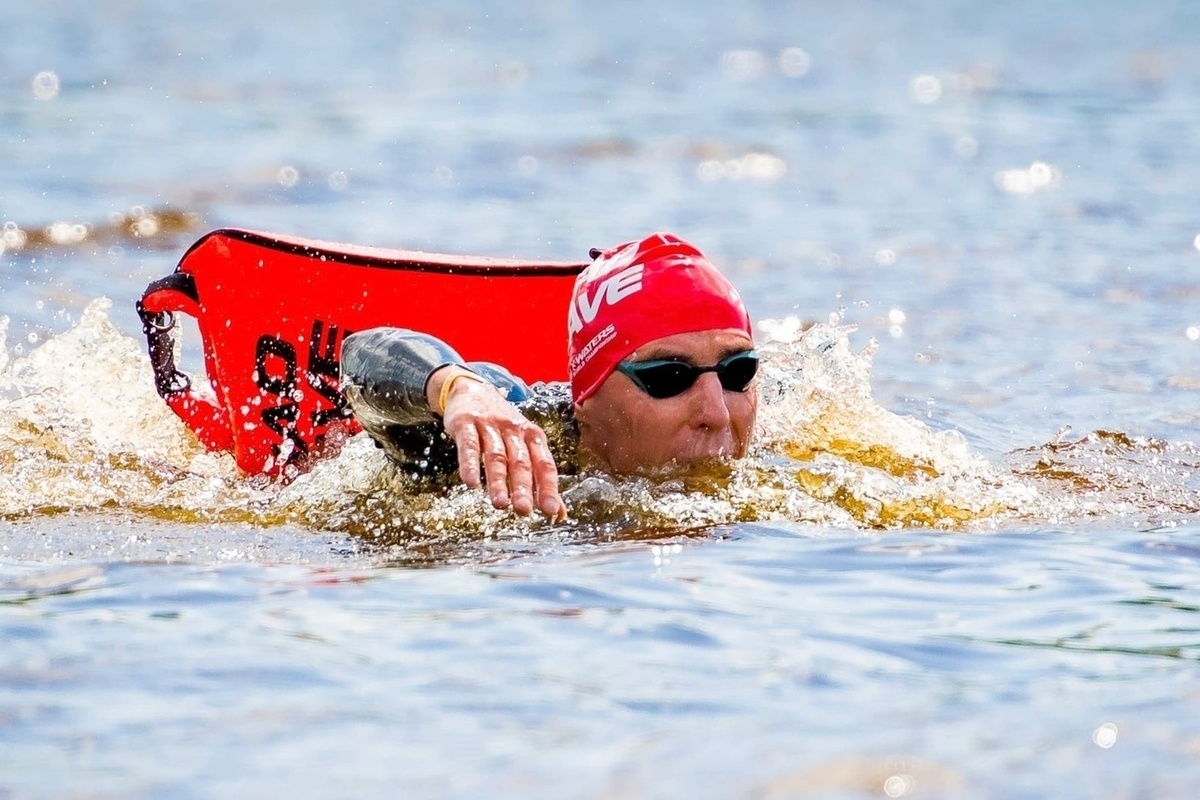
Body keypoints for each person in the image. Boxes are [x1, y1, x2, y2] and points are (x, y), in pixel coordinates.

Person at [339, 232, 758, 520]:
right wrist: (455, 388)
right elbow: (361, 356)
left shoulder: (800, 449)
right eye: (669, 377)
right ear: (587, 398)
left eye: (738, 372)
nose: (717, 412)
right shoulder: (508, 428)